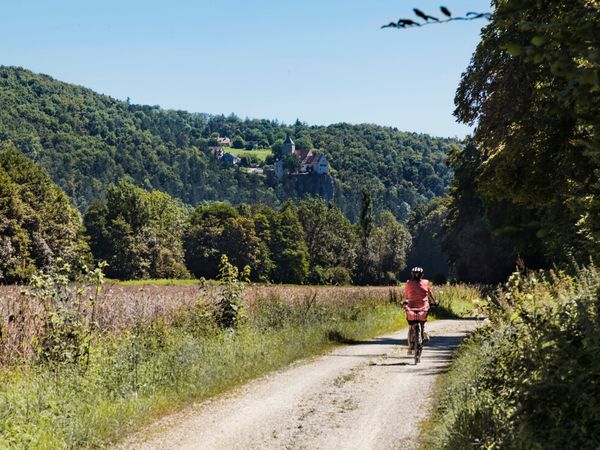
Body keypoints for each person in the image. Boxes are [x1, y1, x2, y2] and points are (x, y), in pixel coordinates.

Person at [403, 267, 437, 355]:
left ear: (412, 275)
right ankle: (424, 333)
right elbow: (429, 293)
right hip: (423, 307)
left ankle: (410, 347)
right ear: (422, 275)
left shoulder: (408, 283)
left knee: (411, 327)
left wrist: (404, 301)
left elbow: (406, 295)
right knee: (423, 323)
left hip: (411, 307)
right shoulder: (426, 282)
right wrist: (434, 301)